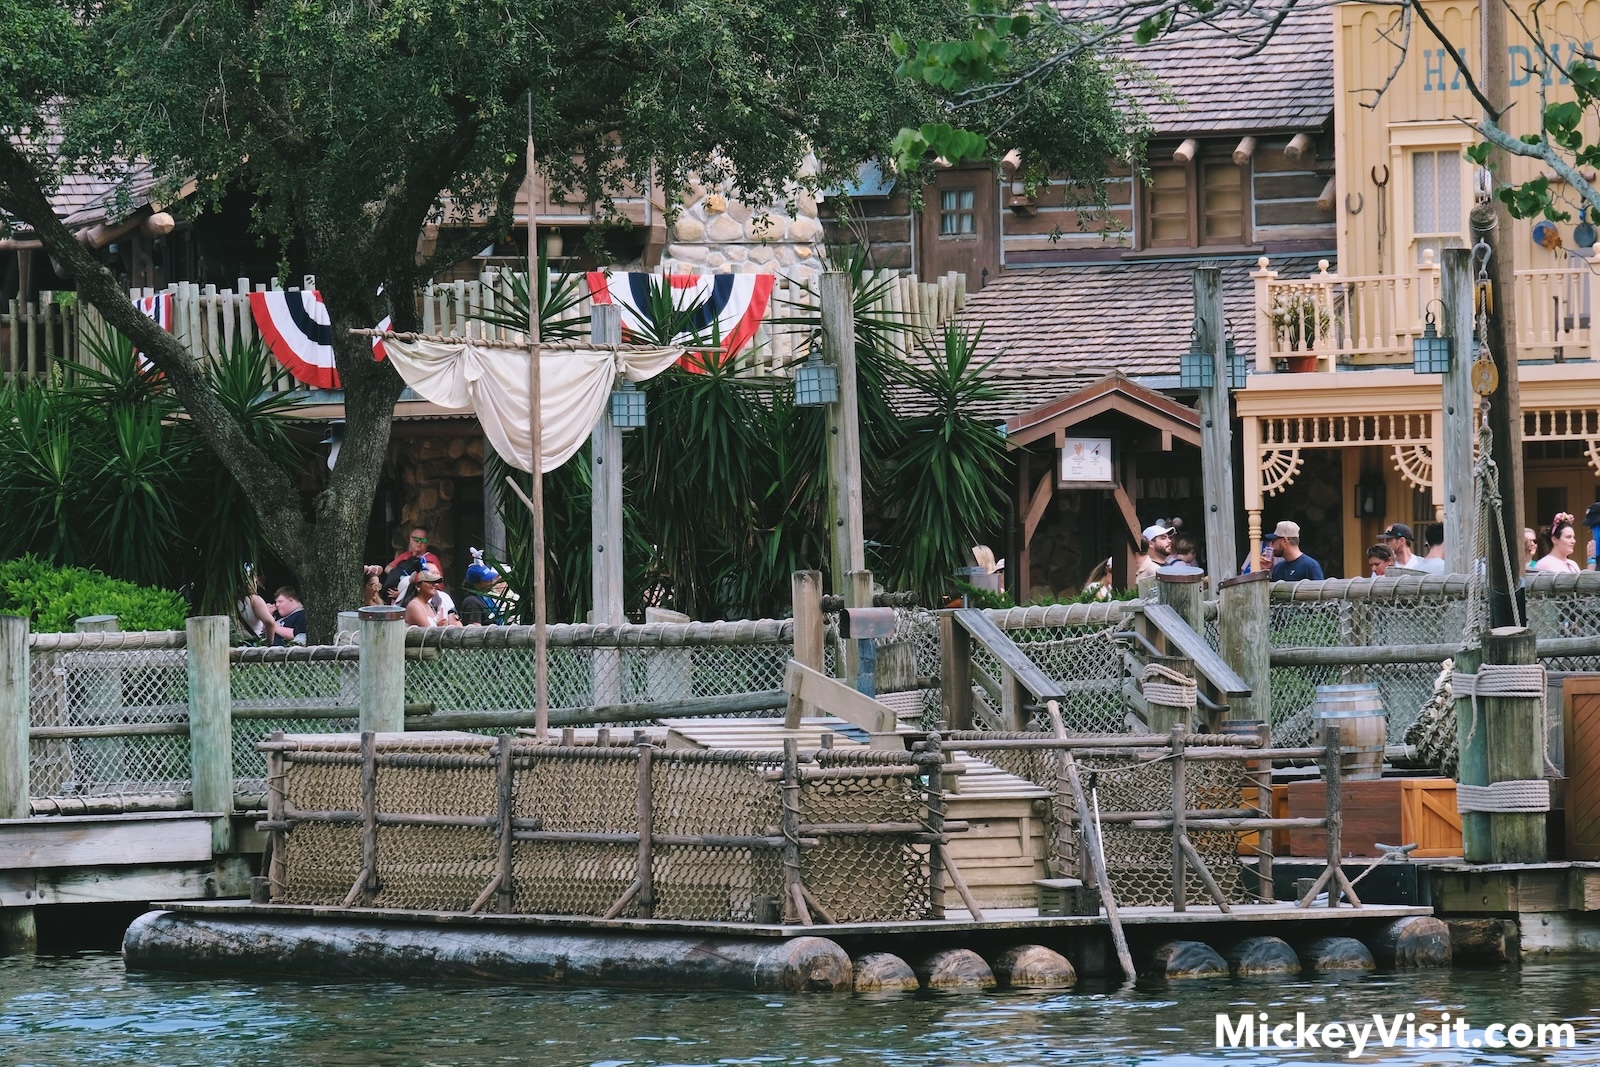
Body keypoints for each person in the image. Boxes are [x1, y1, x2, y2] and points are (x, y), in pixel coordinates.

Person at [458, 550, 506, 625]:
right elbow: (475, 630)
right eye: (487, 580)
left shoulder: (486, 598)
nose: (492, 581)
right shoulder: (472, 602)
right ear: (476, 583)